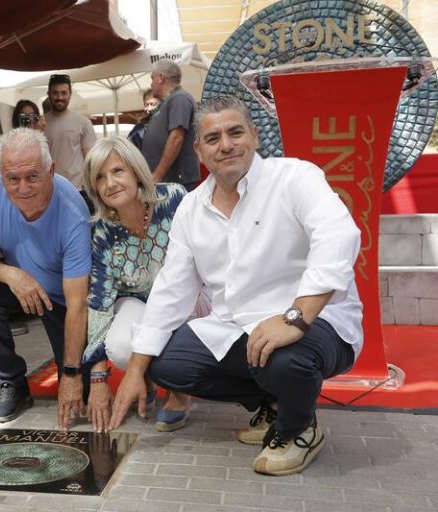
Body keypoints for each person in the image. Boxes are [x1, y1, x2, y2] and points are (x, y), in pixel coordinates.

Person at [108, 96, 363, 477]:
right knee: (164, 362)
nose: (226, 145)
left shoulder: (294, 177)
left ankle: (299, 429)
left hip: (316, 321)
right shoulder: (192, 208)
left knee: (285, 359)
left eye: (235, 132)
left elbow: (339, 236)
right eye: (212, 138)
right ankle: (275, 404)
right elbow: (172, 289)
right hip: (237, 326)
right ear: (198, 150)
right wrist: (135, 368)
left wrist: (294, 317)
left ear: (254, 136)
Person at [0, 127, 104, 431]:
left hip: (64, 301)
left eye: (32, 176)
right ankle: (13, 383)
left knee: (84, 385)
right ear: (1, 175)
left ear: (51, 170)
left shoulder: (73, 213)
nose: (22, 187)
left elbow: (79, 302)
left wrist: (69, 374)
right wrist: (9, 273)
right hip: (21, 286)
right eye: (12, 178)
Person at [82, 136, 209, 433]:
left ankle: (177, 391)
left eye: (117, 171)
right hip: (136, 300)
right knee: (121, 345)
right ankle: (146, 380)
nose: (110, 183)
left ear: (136, 171)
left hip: (188, 297)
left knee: (181, 318)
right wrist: (98, 378)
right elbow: (100, 300)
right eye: (99, 177)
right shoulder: (101, 231)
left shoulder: (174, 199)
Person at [141, 59, 199, 189]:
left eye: (152, 78)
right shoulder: (169, 101)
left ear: (161, 78)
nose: (151, 84)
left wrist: (158, 174)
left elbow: (176, 138)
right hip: (167, 181)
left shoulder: (179, 98)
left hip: (176, 181)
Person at [43, 74, 96, 190]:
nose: (59, 97)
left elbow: (90, 158)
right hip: (49, 189)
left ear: (70, 95)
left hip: (77, 188)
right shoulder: (40, 124)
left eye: (63, 93)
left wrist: (89, 183)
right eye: (55, 93)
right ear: (49, 94)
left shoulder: (83, 122)